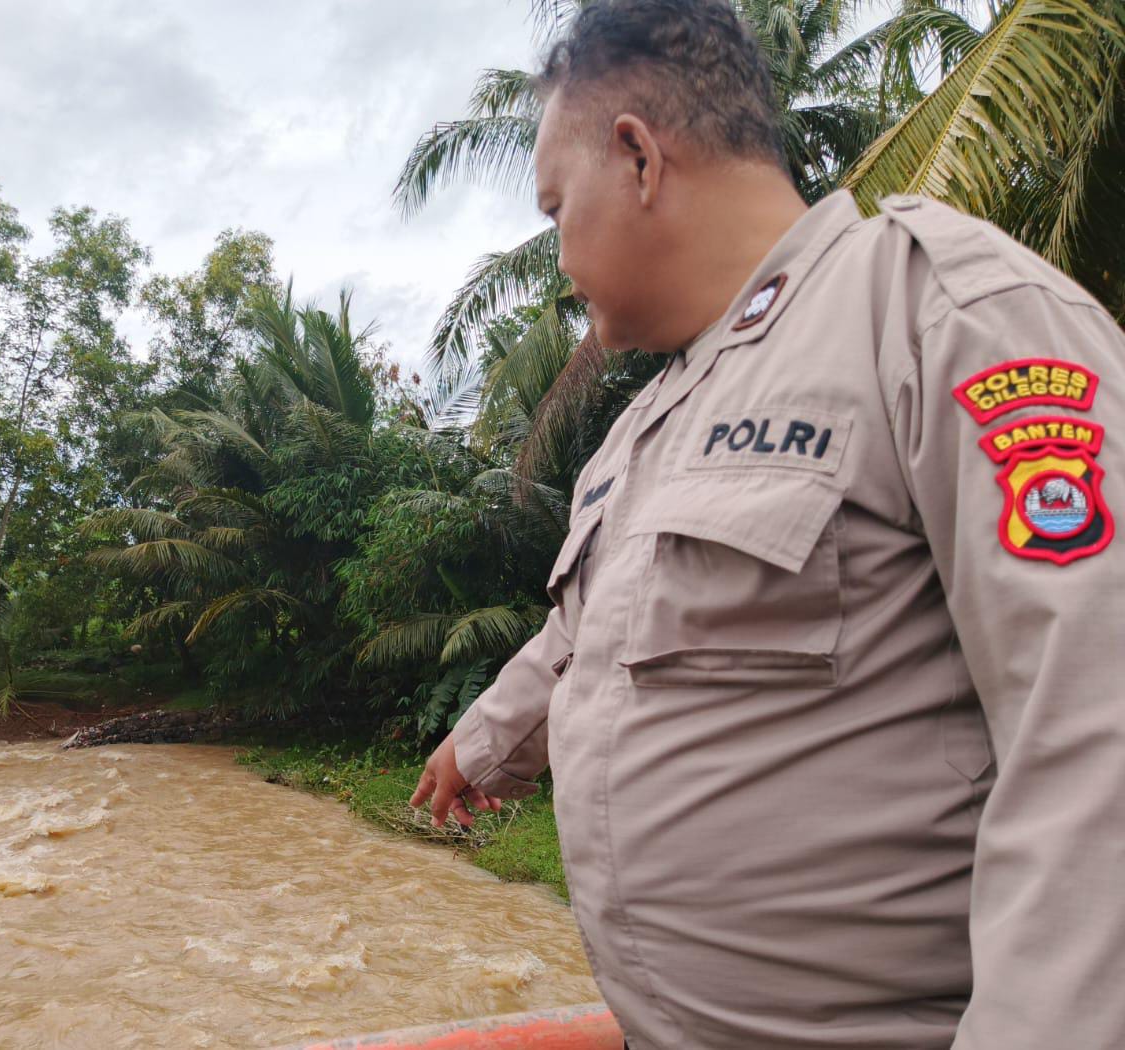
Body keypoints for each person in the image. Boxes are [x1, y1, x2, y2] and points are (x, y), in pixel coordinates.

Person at [407, 1, 1125, 1047]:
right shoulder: (643, 426)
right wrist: (480, 744)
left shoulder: (934, 310)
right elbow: (581, 635)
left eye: (556, 208)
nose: (556, 255)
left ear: (638, 157)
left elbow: (1093, 720)